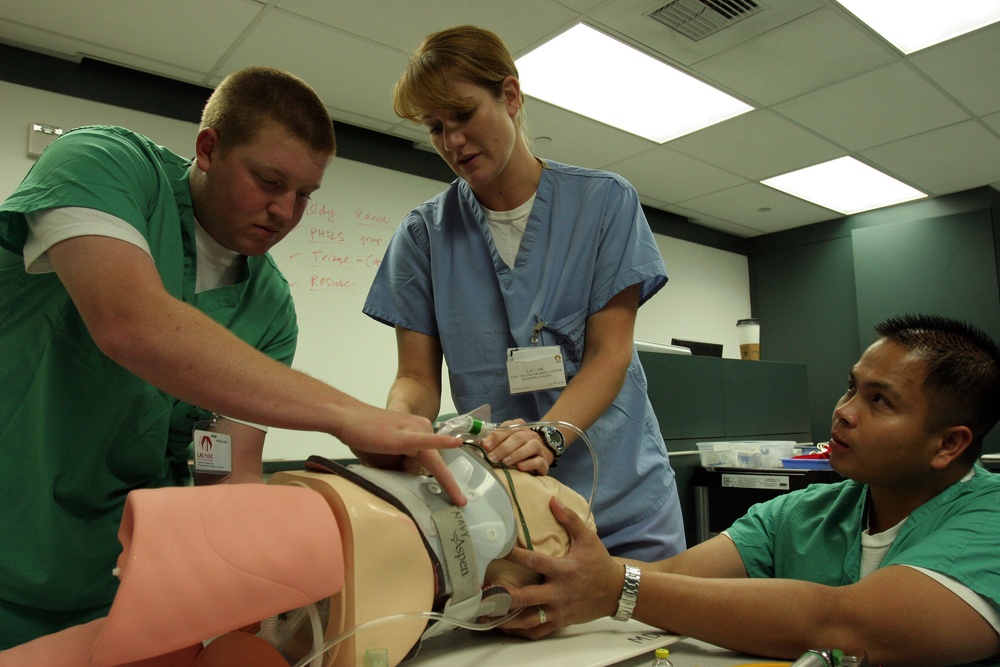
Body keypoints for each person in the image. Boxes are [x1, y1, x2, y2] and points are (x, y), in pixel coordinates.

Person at [0, 66, 464, 650]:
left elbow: (227, 470)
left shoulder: (268, 306)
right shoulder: (103, 164)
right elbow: (130, 323)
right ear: (208, 148)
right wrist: (347, 414)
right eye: (269, 181)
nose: (285, 212)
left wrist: (251, 580)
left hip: (110, 573)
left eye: (304, 195)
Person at [498, 314, 1000, 667]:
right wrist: (536, 577)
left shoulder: (990, 520)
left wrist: (614, 588)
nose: (844, 410)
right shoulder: (802, 513)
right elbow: (669, 578)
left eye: (880, 401)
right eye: (851, 387)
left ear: (948, 444)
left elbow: (845, 628)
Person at [362, 25, 685, 561]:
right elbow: (416, 377)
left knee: (651, 639)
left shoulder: (604, 205)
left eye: (463, 115)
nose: (451, 141)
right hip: (516, 509)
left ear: (510, 96)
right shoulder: (423, 236)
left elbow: (610, 354)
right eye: (435, 127)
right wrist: (401, 425)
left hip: (626, 502)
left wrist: (550, 434)